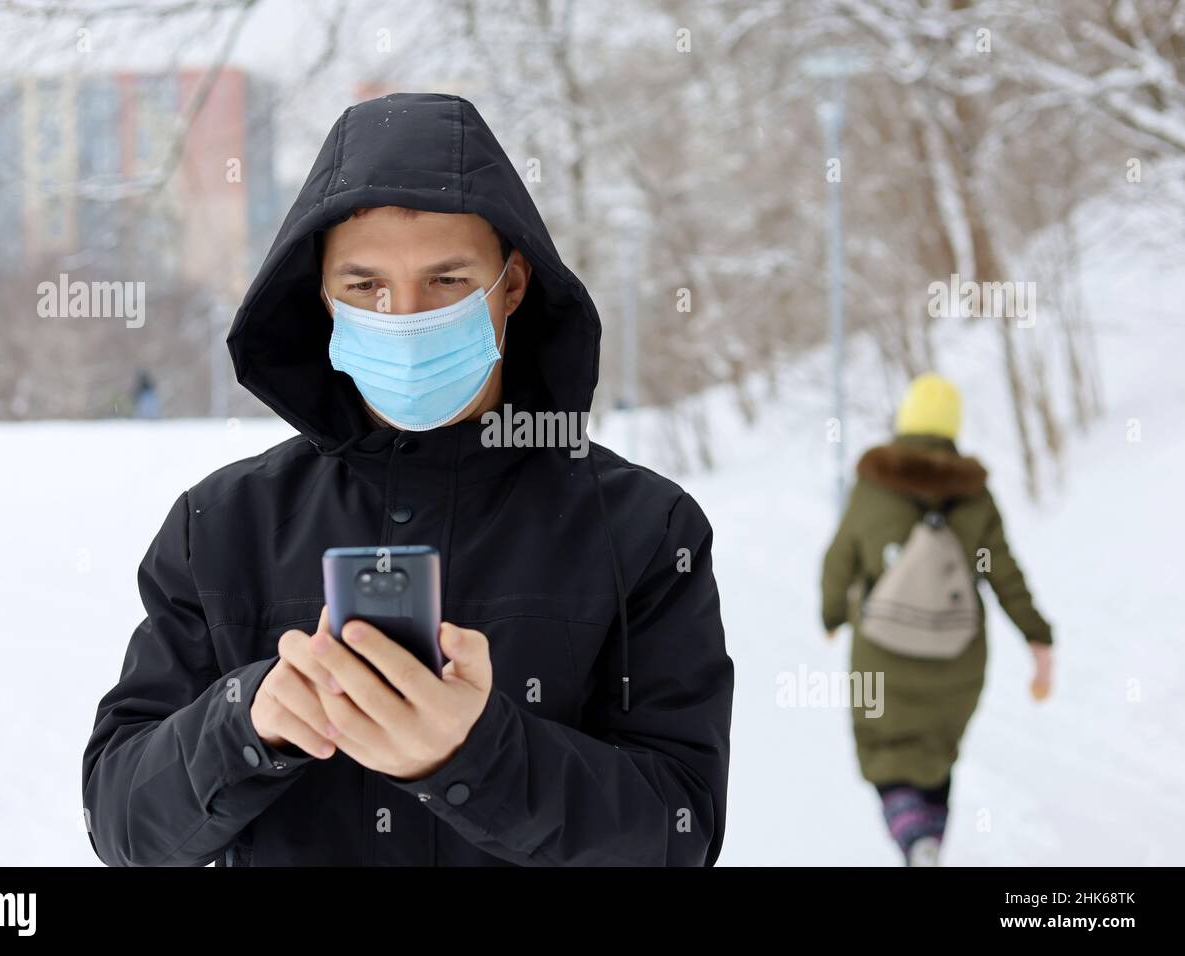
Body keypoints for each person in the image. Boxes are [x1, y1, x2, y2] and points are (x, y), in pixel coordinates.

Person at [82, 92, 735, 867]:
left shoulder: (644, 531)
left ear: (512, 286)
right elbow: (122, 824)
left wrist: (478, 754)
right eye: (365, 287)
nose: (405, 315)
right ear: (321, 298)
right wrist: (247, 720)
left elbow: (679, 832)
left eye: (448, 281)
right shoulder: (221, 527)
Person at [820, 373, 1053, 866]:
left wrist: (832, 614)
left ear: (905, 419)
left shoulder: (872, 486)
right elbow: (1002, 572)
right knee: (936, 756)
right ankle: (932, 842)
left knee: (884, 753)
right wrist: (1038, 638)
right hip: (957, 659)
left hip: (881, 653)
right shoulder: (974, 496)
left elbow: (839, 558)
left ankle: (913, 841)